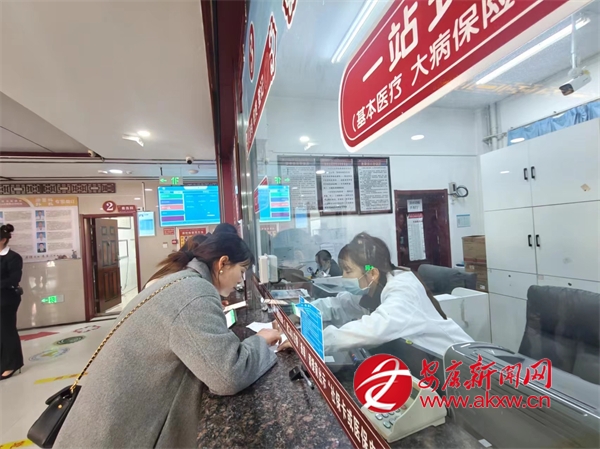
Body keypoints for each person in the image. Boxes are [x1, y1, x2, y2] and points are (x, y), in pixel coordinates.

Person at [54, 232, 281, 449]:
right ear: (222, 263)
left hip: (103, 422)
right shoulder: (195, 292)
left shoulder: (180, 280)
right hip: (112, 434)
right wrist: (261, 340)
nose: (241, 280)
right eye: (241, 271)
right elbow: (228, 375)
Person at [280, 233, 472, 356]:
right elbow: (338, 305)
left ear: (371, 273)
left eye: (348, 271)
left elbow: (372, 329)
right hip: (424, 364)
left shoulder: (403, 289)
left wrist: (310, 340)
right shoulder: (373, 287)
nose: (344, 277)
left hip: (460, 365)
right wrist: (297, 311)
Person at [0, 224, 24, 380]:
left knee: (6, 330)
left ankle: (12, 364)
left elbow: (14, 279)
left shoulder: (13, 257)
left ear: (3, 240)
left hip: (6, 298)